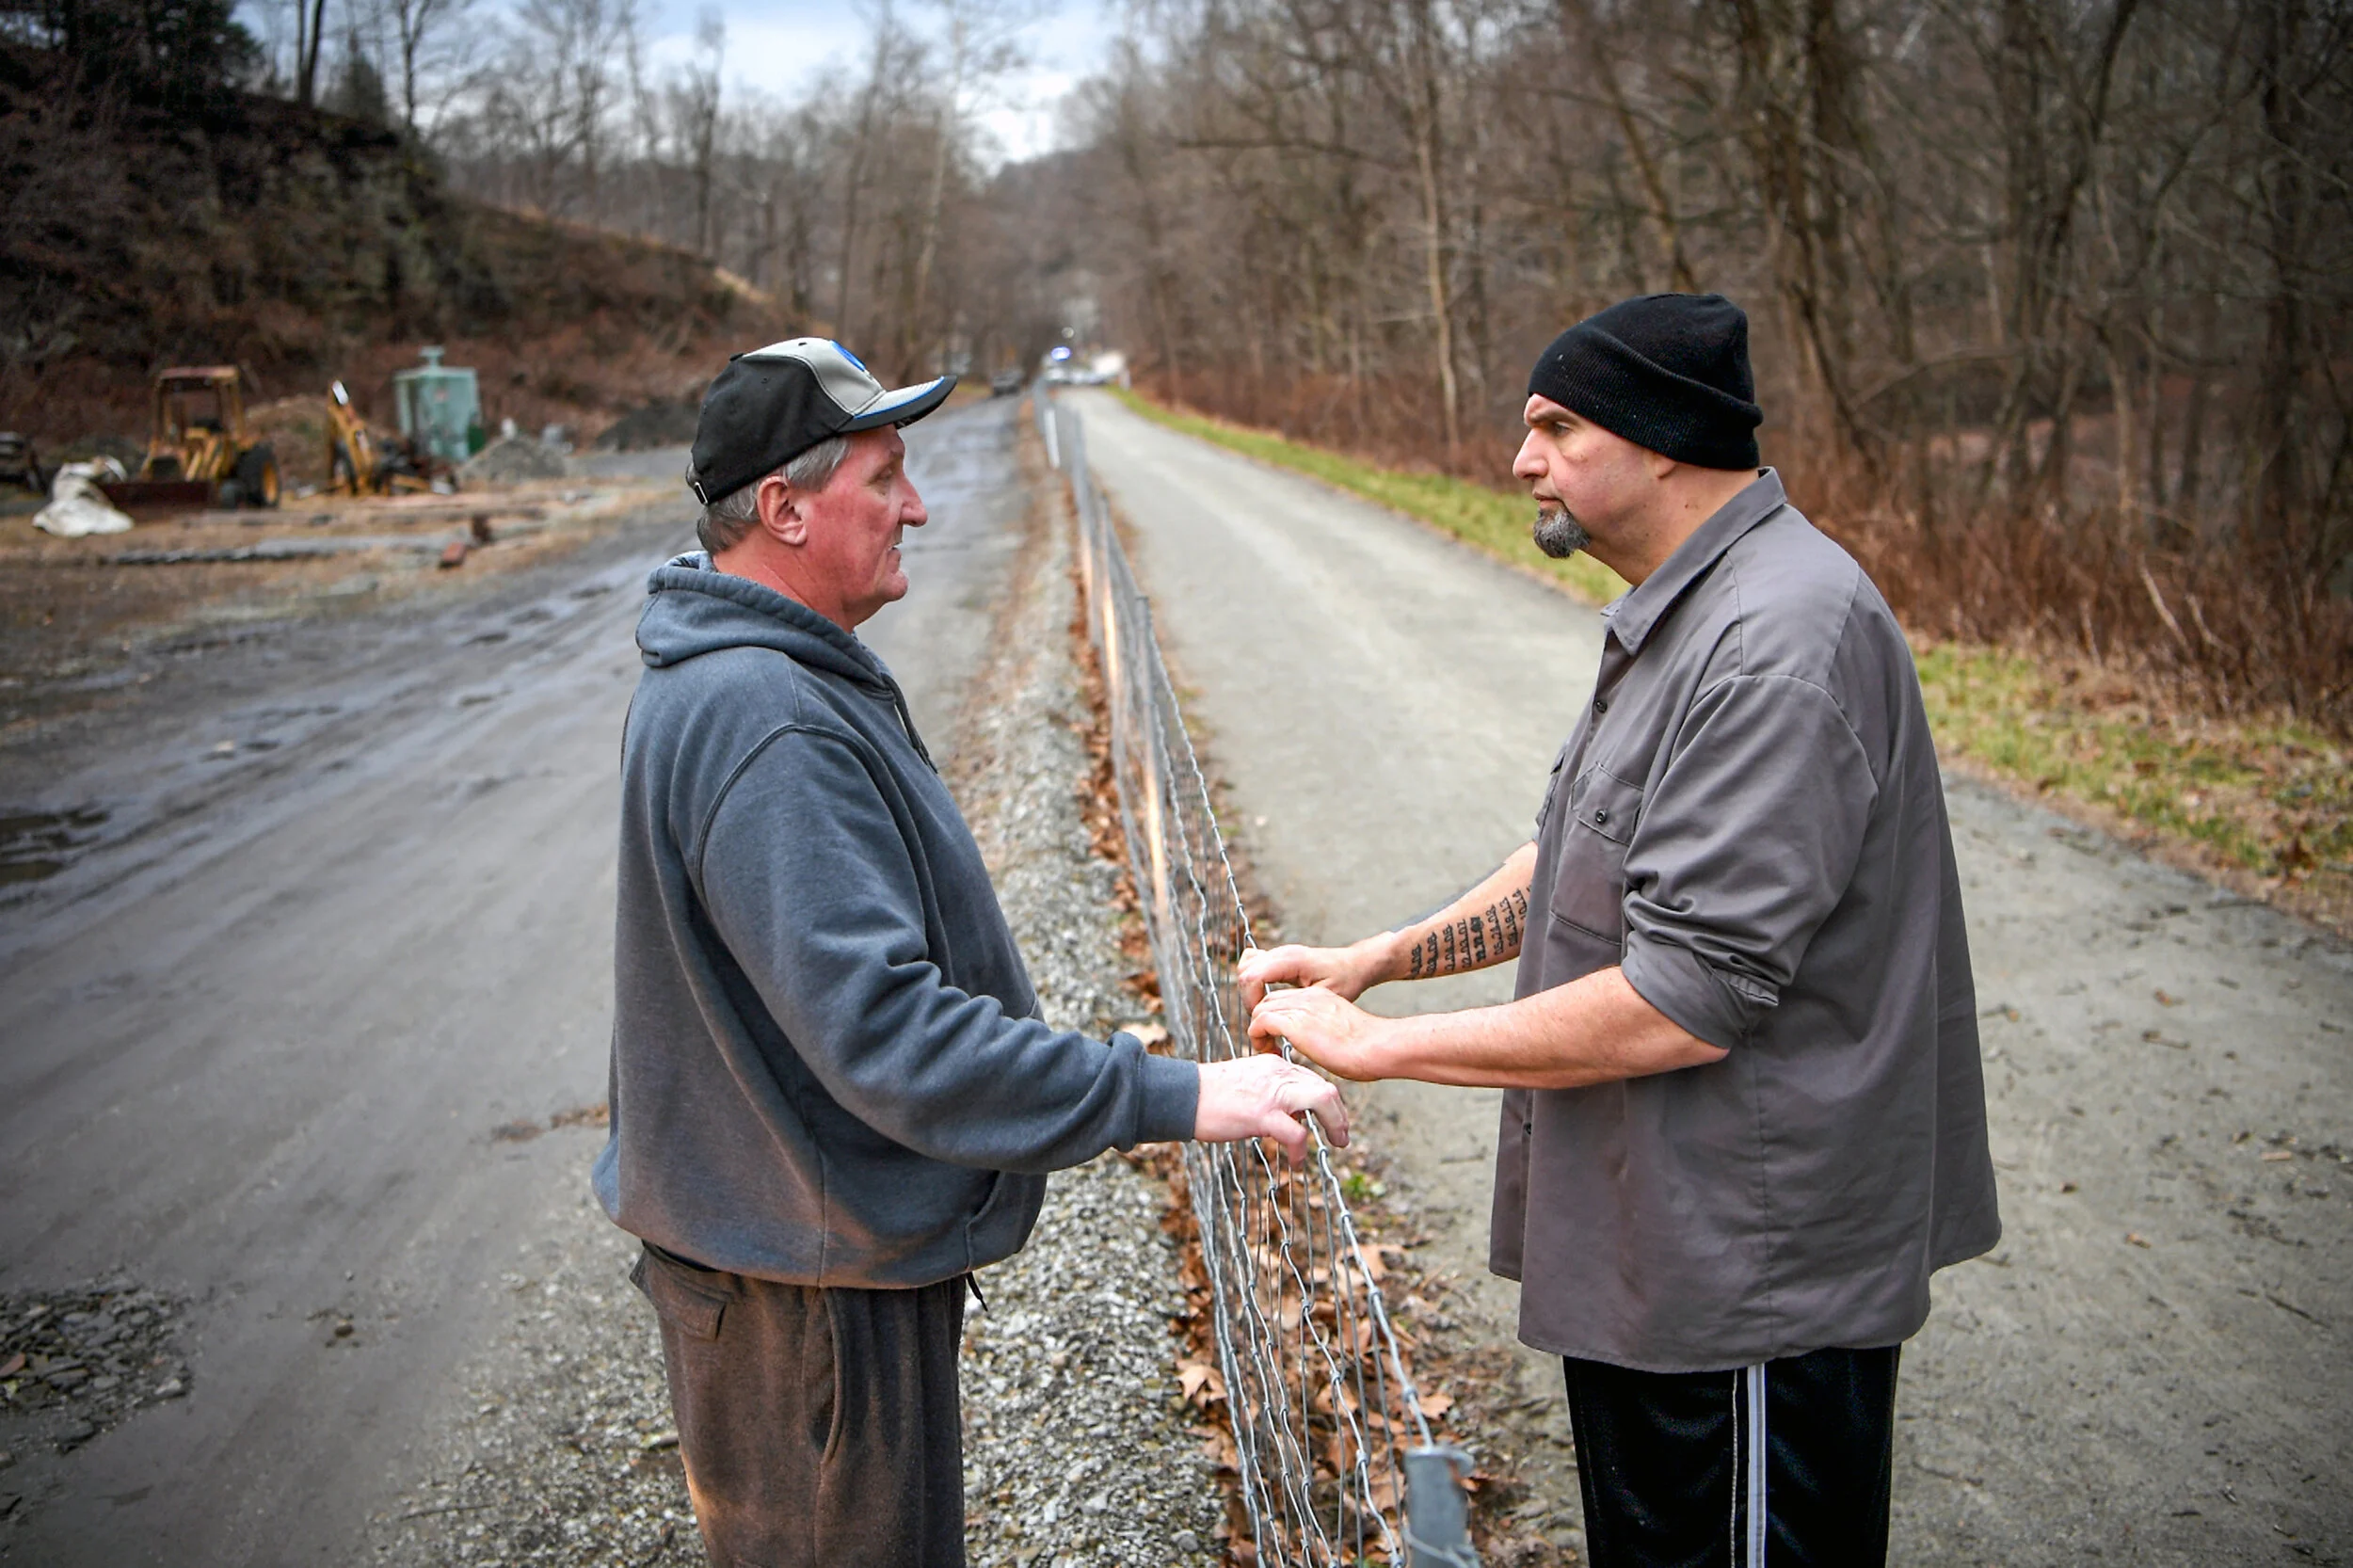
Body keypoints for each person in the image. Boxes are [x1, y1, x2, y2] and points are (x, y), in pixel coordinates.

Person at [1240, 296, 1999, 1568]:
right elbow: (1582, 859)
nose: (1520, 457)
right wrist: (1380, 956)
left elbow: (1684, 994)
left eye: (1555, 425)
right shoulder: (1694, 606)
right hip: (1672, 1261)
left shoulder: (1775, 639)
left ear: (1662, 439)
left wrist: (1378, 1047)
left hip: (1750, 1287)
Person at [596, 337, 1348, 1567]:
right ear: (784, 507)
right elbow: (890, 1036)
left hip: (792, 1264)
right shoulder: (766, 715)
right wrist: (1183, 1091)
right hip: (808, 1304)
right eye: (885, 476)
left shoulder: (760, 680)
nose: (920, 505)